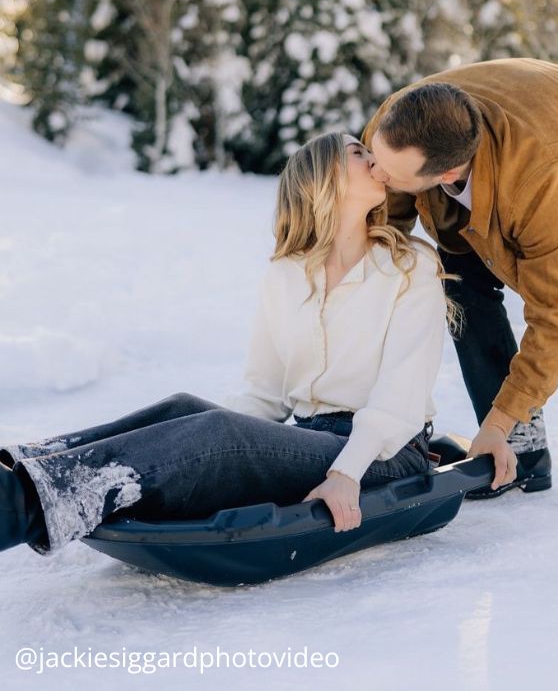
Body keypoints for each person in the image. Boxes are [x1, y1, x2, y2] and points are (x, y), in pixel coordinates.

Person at [0, 132, 476, 558]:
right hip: (312, 437)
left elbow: (401, 399)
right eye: (359, 153)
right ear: (322, 177)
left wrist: (345, 473)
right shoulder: (287, 273)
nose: (375, 162)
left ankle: (16, 506)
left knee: (221, 433)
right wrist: (212, 441)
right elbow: (264, 394)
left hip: (386, 452)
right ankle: (25, 462)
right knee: (185, 408)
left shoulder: (410, 265)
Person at [362, 57, 558, 497]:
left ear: (445, 174)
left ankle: (508, 432)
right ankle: (520, 454)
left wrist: (504, 417)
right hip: (526, 125)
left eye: (390, 174)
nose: (376, 174)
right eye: (375, 159)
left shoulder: (541, 178)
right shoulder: (396, 126)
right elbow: (382, 225)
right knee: (458, 281)